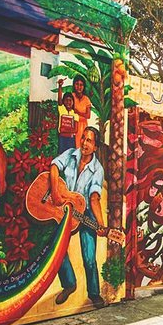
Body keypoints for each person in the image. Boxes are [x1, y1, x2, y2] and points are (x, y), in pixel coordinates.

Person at [50, 127, 108, 309]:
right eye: (83, 138)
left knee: (89, 258)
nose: (84, 143)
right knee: (57, 249)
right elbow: (53, 167)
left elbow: (94, 197)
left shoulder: (97, 170)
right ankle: (69, 284)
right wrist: (55, 192)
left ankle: (94, 293)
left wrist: (100, 224)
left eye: (89, 141)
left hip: (86, 212)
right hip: (63, 207)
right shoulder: (70, 155)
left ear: (96, 147)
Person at [57, 79, 78, 153]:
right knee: (61, 155)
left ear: (73, 102)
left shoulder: (75, 114)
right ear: (63, 101)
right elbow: (59, 99)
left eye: (70, 100)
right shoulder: (62, 109)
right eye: (66, 100)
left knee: (70, 156)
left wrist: (64, 130)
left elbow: (75, 129)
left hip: (71, 139)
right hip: (62, 138)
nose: (68, 102)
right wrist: (60, 86)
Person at [72, 75, 92, 149]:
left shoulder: (86, 99)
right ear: (74, 85)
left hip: (83, 127)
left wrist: (77, 112)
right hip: (72, 125)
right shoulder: (71, 96)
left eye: (81, 85)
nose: (79, 87)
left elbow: (88, 115)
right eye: (77, 84)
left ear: (83, 86)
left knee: (80, 147)